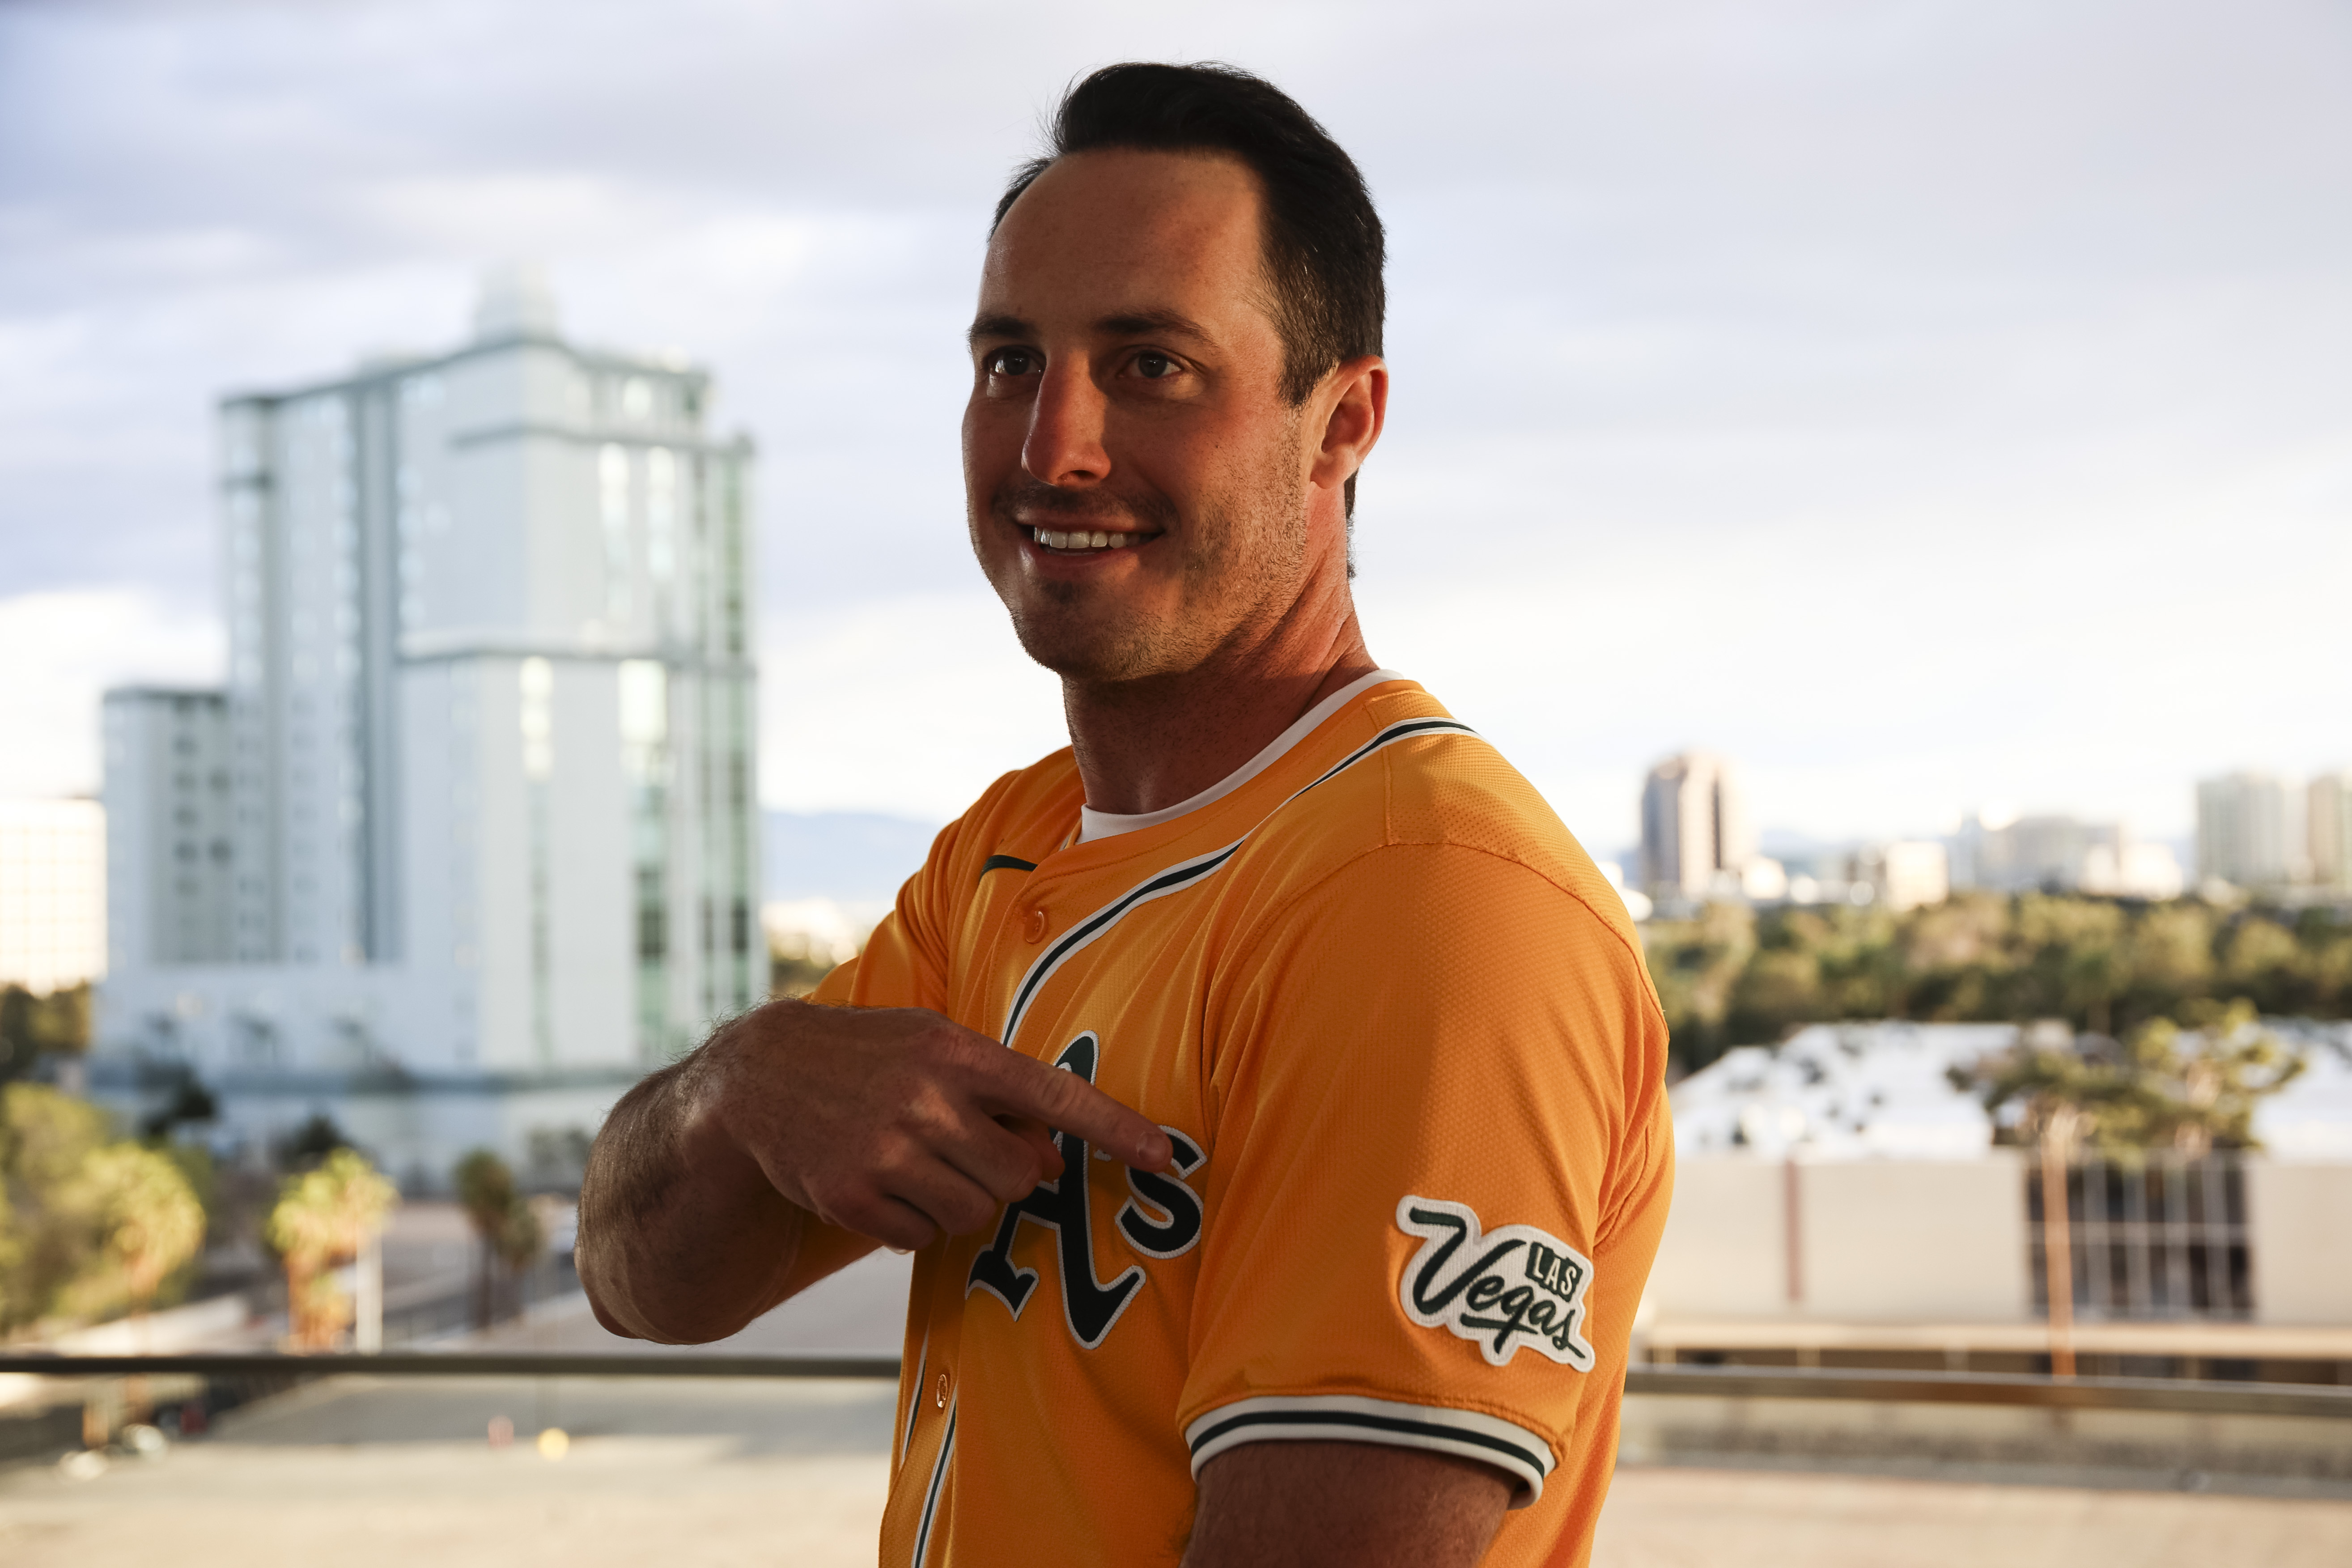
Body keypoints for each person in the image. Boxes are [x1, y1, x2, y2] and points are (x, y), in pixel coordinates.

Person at [577, 61, 1673, 1568]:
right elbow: (647, 1284)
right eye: (1011, 360)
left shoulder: (1425, 895)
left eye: (1151, 364)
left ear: (1341, 420)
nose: (1052, 447)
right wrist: (737, 1086)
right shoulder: (1008, 852)